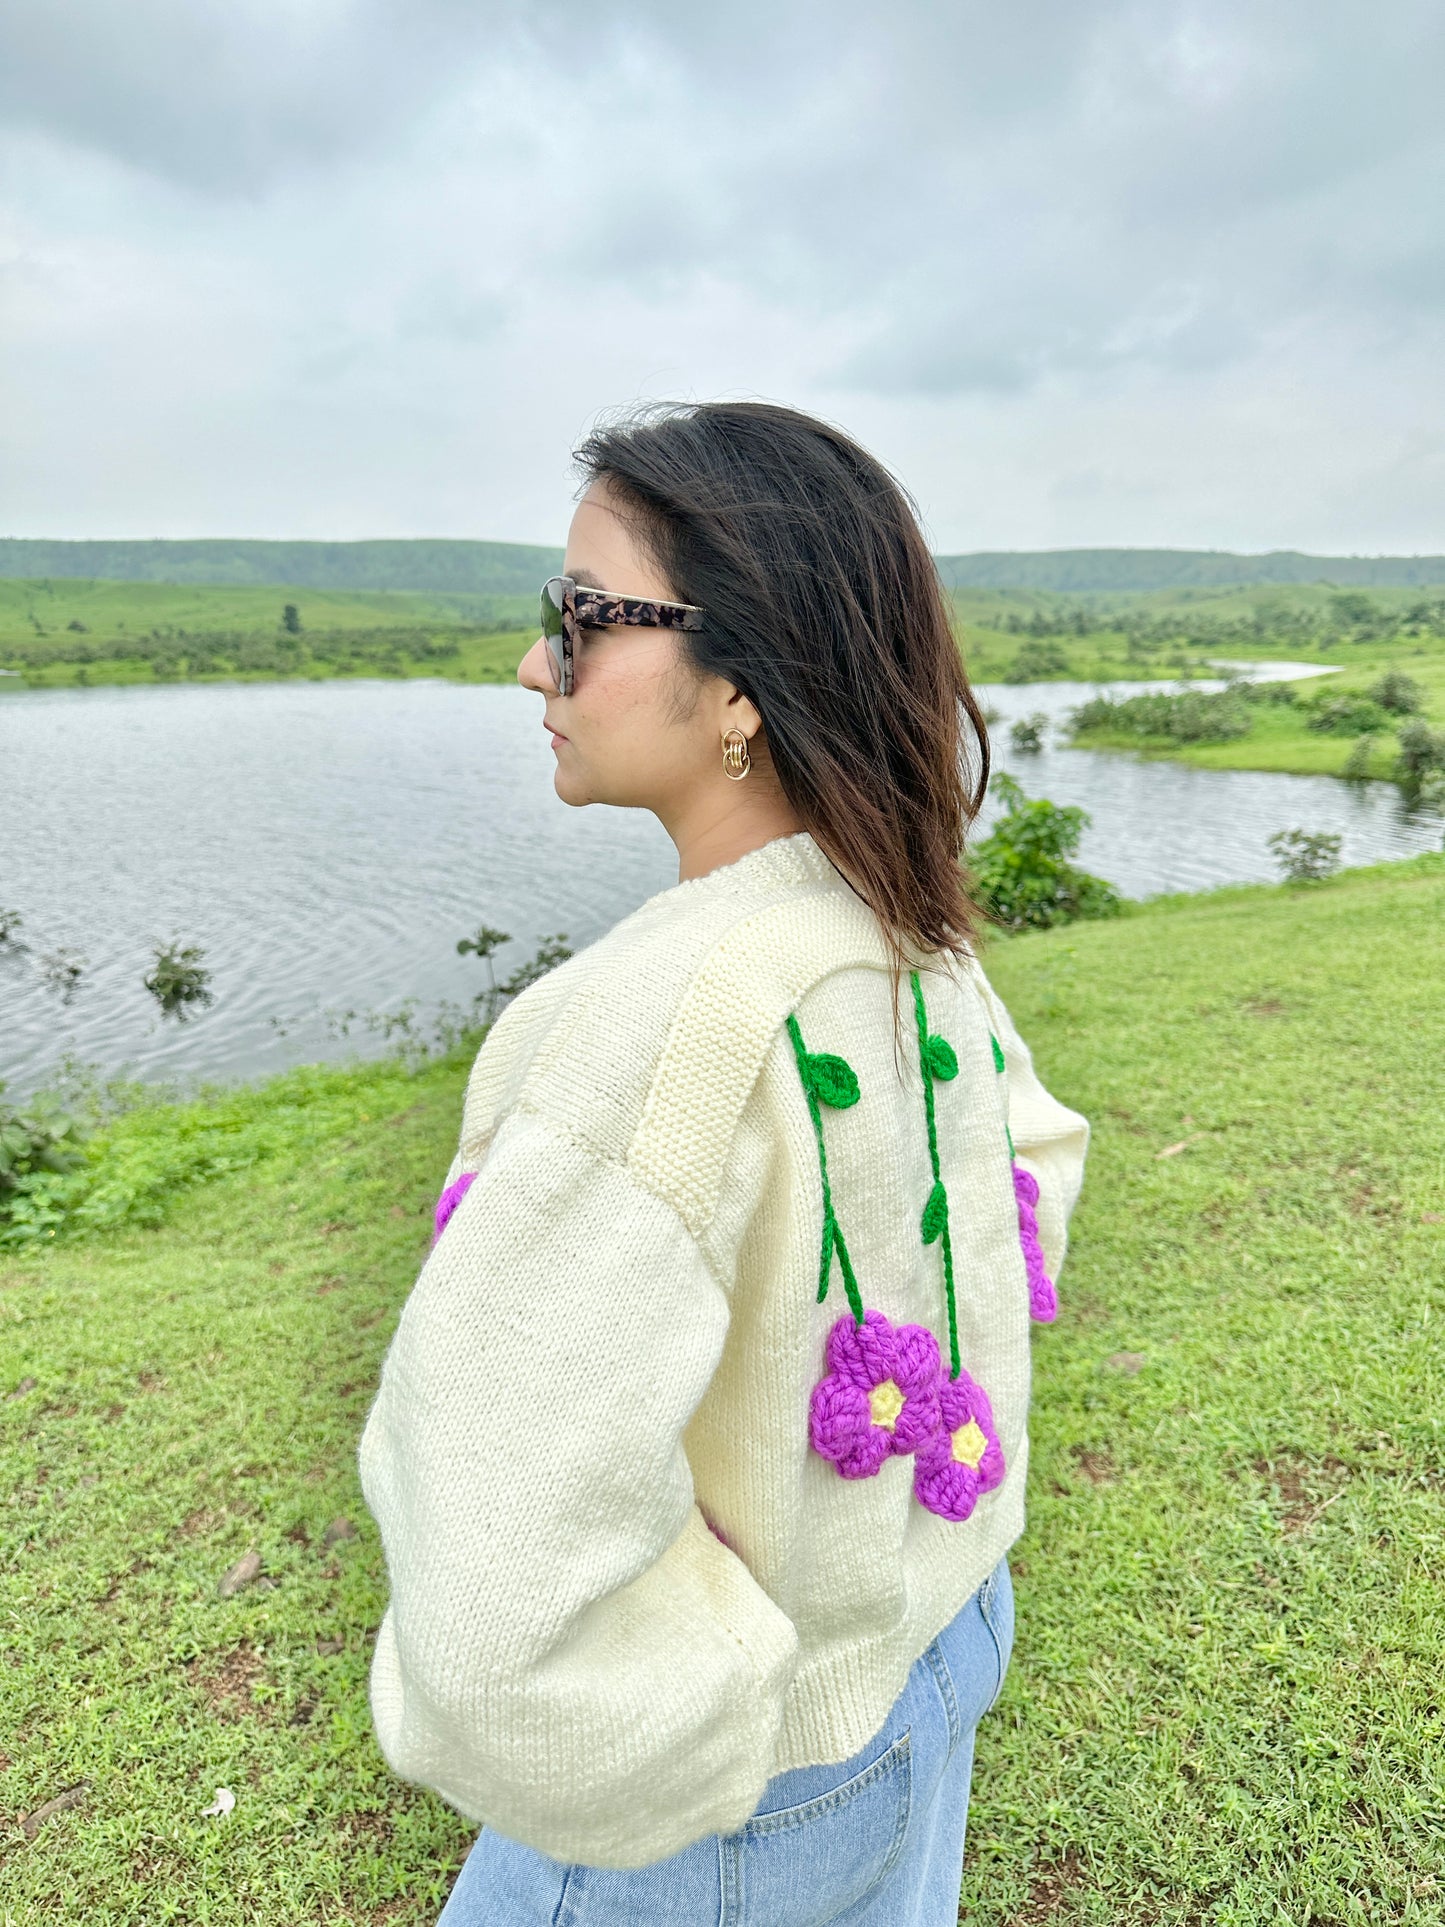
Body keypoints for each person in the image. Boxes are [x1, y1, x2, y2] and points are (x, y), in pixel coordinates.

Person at [357, 400, 1089, 1924]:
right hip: (932, 1657)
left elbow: (492, 1593)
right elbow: (1027, 1169)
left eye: (578, 619)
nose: (531, 666)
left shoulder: (646, 1024)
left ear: (740, 680)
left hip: (734, 1791)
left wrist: (720, 1712)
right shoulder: (900, 926)